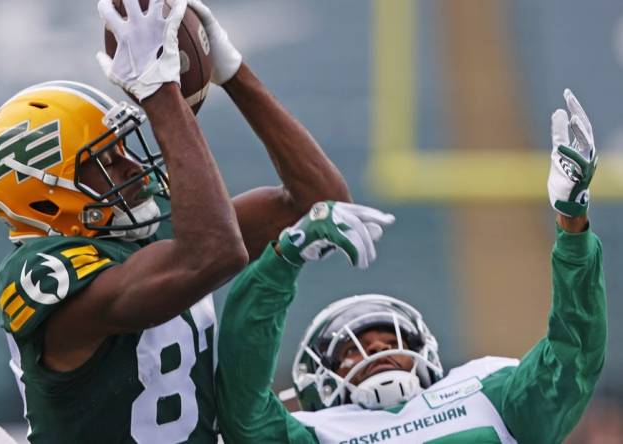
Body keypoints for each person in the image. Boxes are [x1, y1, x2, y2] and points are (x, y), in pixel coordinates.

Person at [0, 0, 350, 442]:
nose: (133, 167)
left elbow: (321, 206)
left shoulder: (149, 228)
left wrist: (233, 74)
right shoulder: (42, 274)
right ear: (47, 197)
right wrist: (159, 92)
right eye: (106, 161)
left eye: (124, 147)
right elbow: (210, 256)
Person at [216, 90, 606, 444]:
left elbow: (572, 357)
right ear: (314, 379)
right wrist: (285, 256)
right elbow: (243, 407)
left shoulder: (488, 391)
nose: (379, 351)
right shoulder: (315, 434)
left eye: (391, 341)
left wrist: (572, 226)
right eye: (356, 348)